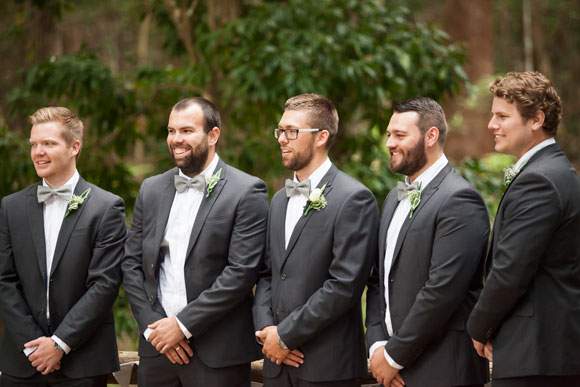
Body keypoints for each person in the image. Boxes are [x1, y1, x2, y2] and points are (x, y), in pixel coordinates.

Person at [122, 97, 268, 386]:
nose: (176, 139)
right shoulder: (151, 189)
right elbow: (131, 264)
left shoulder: (246, 191)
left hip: (216, 354)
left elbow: (241, 272)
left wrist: (181, 326)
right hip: (157, 352)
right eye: (171, 130)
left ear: (213, 135)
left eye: (187, 131)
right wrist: (154, 330)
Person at [253, 93, 379, 387]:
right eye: (280, 131)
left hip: (327, 366)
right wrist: (267, 330)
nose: (282, 139)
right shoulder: (280, 200)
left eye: (292, 132)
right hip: (276, 365)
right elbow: (268, 273)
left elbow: (344, 285)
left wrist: (285, 336)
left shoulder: (354, 199)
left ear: (321, 136)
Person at [365, 97, 490, 387]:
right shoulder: (393, 199)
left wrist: (394, 357)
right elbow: (377, 281)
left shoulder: (460, 199)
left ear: (431, 136)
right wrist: (376, 347)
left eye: (400, 135)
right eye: (388, 134)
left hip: (444, 370)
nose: (389, 143)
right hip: (391, 369)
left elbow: (441, 292)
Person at [467, 71, 580, 387]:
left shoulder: (539, 180)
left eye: (502, 116)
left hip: (536, 356)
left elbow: (510, 271)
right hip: (546, 354)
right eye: (493, 115)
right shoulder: (555, 171)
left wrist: (478, 327)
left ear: (536, 120)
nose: (492, 125)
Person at [0, 107, 126, 386]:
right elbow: (4, 280)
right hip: (22, 361)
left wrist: (60, 343)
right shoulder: (11, 207)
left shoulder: (106, 208)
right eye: (34, 144)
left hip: (83, 362)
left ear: (74, 147)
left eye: (48, 143)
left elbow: (105, 284)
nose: (38, 152)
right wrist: (33, 345)